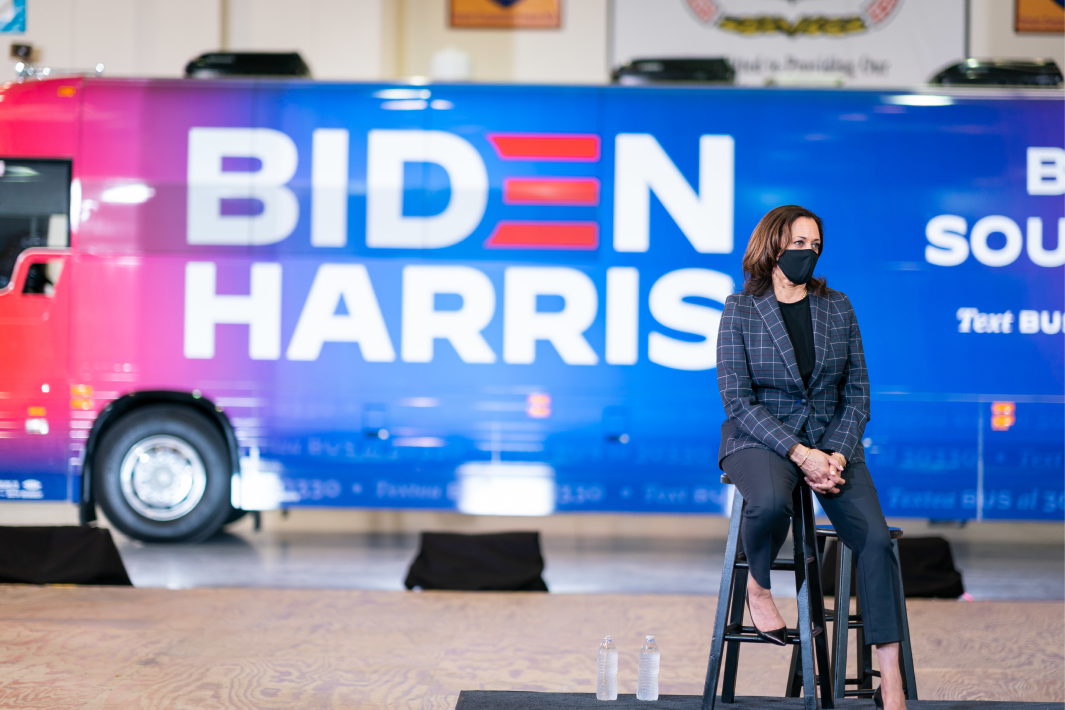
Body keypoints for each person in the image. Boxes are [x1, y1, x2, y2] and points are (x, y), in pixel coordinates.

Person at [716, 205, 906, 710]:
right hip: (762, 440)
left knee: (874, 542)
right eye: (798, 242)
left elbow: (858, 394)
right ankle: (760, 588)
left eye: (814, 245)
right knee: (771, 502)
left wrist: (836, 454)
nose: (808, 252)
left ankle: (891, 682)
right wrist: (802, 455)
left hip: (833, 445)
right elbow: (738, 400)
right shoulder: (740, 307)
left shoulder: (837, 306)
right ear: (771, 244)